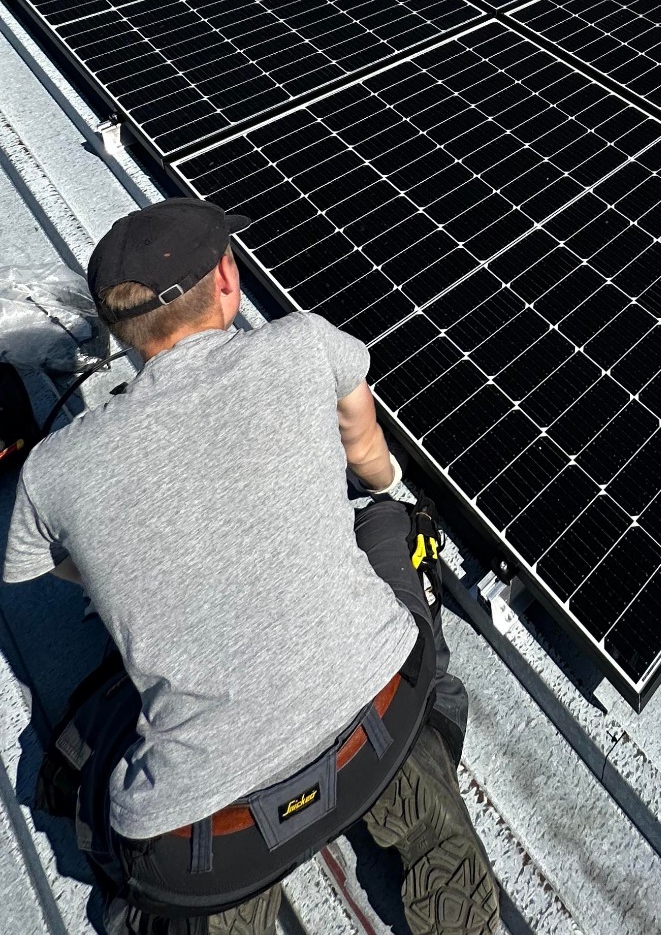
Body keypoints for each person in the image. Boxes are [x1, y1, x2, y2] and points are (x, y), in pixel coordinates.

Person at [3, 198, 499, 935]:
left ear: (118, 330)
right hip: (381, 726)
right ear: (228, 282)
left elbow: (35, 571)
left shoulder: (55, 470)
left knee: (102, 758)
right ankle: (426, 825)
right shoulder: (303, 345)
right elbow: (369, 459)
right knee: (391, 527)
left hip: (208, 837)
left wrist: (134, 561)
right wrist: (386, 495)